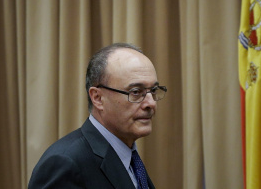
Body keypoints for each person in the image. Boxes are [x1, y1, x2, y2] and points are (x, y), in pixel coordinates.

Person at [28, 43, 167, 189]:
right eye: (136, 92)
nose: (150, 103)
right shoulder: (65, 163)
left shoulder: (131, 159)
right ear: (98, 98)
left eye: (153, 90)